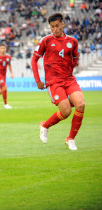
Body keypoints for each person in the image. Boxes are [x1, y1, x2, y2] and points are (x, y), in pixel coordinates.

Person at [31, 13, 84, 150]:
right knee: (66, 112)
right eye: (52, 26)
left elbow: (75, 58)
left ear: (63, 24)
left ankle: (70, 138)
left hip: (69, 79)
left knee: (81, 104)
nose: (55, 29)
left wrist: (70, 69)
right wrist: (38, 80)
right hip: (53, 82)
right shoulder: (46, 40)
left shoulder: (72, 41)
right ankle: (45, 125)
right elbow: (34, 60)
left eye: (57, 26)